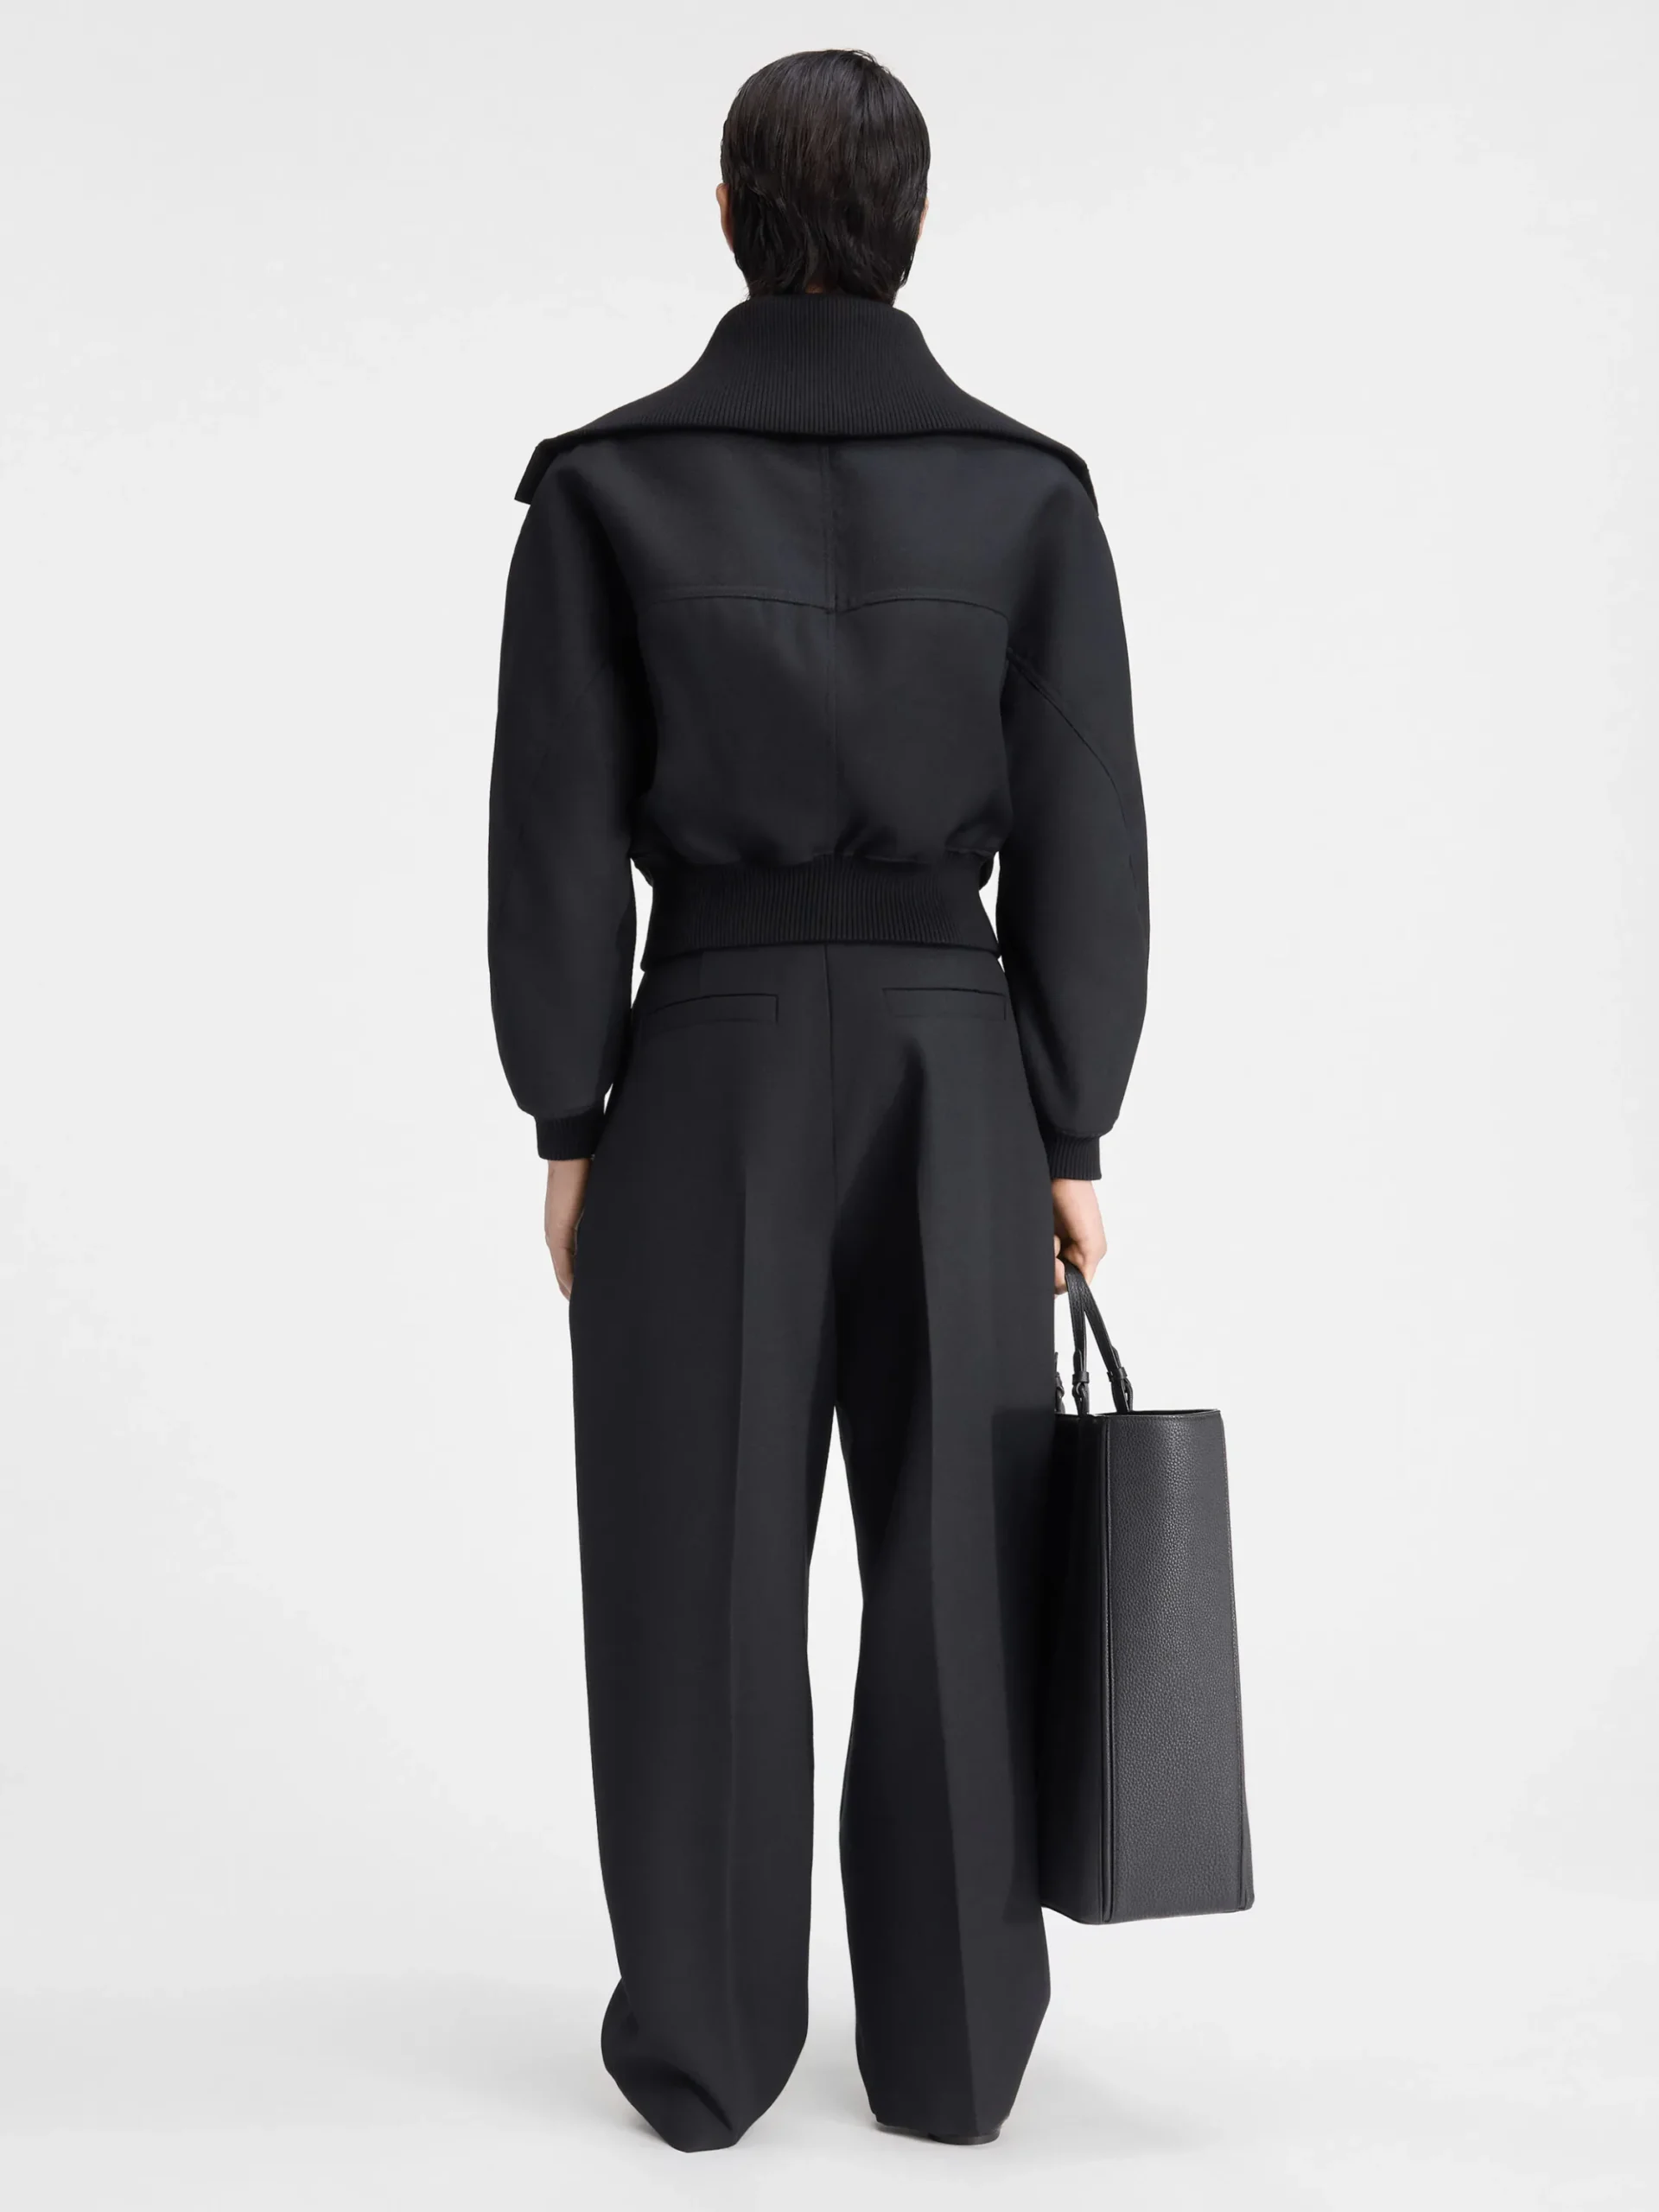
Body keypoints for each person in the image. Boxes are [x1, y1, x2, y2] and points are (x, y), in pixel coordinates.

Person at [487, 48, 1148, 2153]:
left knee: (690, 1560)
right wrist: (1068, 1121)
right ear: (917, 222)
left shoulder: (608, 492)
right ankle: (953, 2057)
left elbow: (553, 826)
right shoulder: (1028, 496)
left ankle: (706, 2047)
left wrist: (569, 1112)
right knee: (968, 1562)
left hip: (704, 1056)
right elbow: (1088, 826)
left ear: (725, 213)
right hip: (959, 1058)